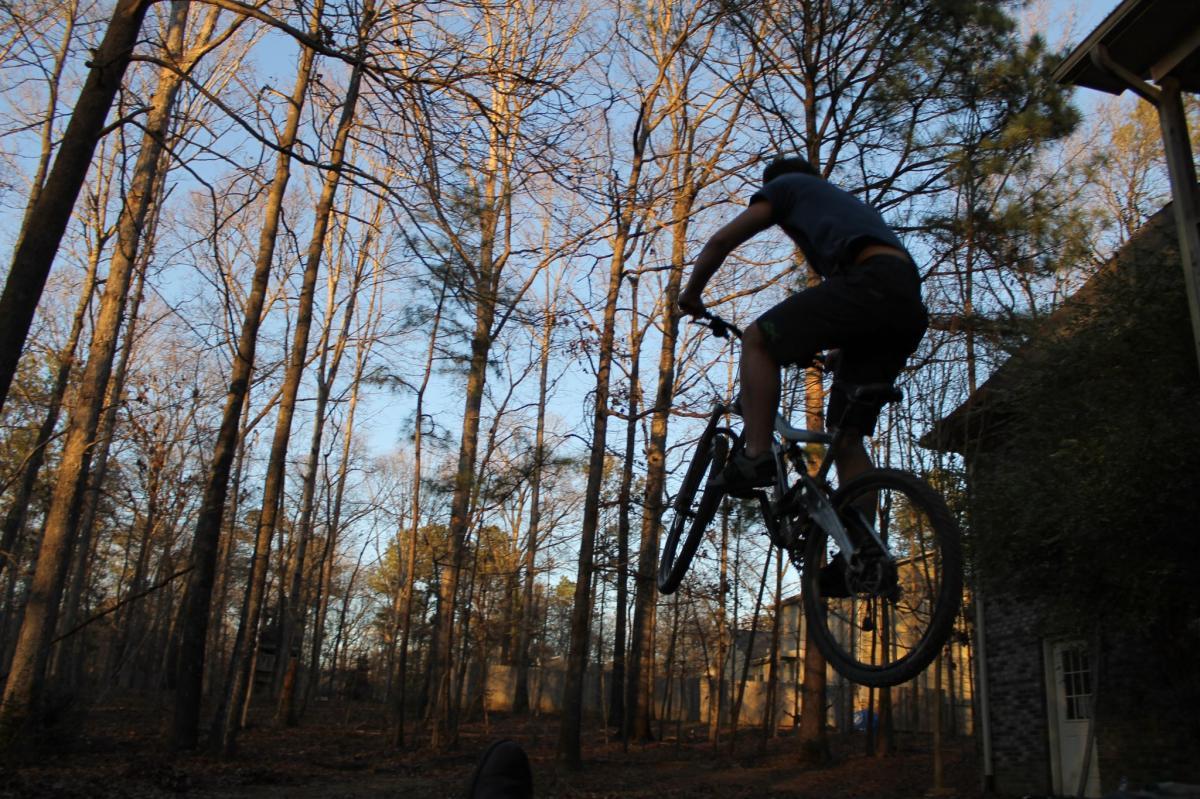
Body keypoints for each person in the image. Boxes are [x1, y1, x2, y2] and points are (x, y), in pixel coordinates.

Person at [677, 155, 927, 494]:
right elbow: (864, 304)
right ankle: (864, 546)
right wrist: (839, 347)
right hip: (905, 305)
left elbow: (721, 241)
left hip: (871, 279)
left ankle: (756, 456)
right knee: (847, 440)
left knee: (757, 340)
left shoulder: (786, 186)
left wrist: (692, 294)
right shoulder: (846, 208)